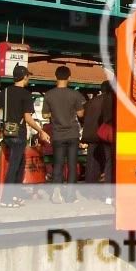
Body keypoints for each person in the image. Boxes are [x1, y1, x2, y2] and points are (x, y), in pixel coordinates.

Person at [0, 65, 49, 207]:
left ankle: (13, 195)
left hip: (7, 133)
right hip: (19, 134)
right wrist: (41, 130)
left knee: (19, 165)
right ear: (24, 76)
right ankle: (6, 199)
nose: (28, 78)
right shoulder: (26, 94)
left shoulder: (5, 92)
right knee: (14, 166)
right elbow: (28, 118)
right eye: (28, 76)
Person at [42, 66, 86, 204]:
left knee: (58, 164)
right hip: (72, 134)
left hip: (58, 135)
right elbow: (81, 114)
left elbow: (44, 115)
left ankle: (57, 193)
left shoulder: (49, 95)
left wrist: (54, 113)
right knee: (72, 165)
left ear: (56, 76)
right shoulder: (75, 95)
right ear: (69, 77)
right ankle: (71, 196)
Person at [82, 80, 114, 185]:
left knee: (91, 162)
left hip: (90, 135)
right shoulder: (110, 100)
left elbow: (81, 116)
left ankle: (90, 187)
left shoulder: (91, 101)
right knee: (107, 161)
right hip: (105, 135)